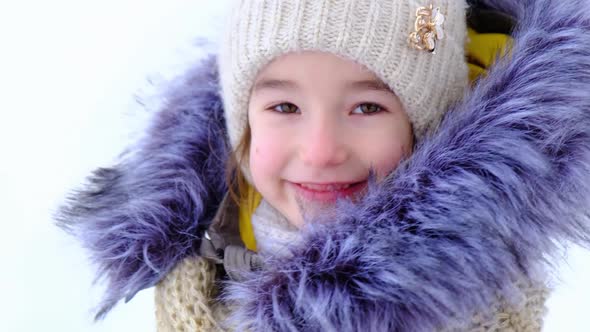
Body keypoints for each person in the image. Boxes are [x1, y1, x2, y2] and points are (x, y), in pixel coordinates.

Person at [56, 0, 590, 331]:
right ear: (242, 121)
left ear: (431, 124)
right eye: (284, 107)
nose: (320, 150)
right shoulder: (198, 257)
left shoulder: (475, 298)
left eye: (367, 107)